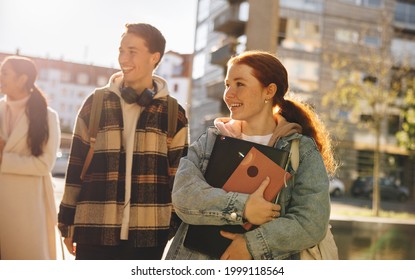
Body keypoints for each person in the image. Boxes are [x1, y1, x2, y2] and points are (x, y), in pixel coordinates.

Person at [166, 50, 337, 260]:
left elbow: (312, 222)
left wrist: (251, 245)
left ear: (269, 91)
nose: (229, 93)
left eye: (240, 84)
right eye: (227, 84)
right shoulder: (210, 141)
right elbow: (184, 196)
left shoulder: (302, 151)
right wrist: (243, 207)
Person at [57, 23, 188, 260]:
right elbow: (75, 168)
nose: (123, 58)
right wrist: (67, 222)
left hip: (149, 236)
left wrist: (169, 225)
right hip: (93, 229)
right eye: (121, 50)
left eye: (132, 51)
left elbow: (177, 176)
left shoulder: (173, 112)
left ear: (154, 57)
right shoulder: (95, 103)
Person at [0, 55, 61, 260]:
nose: (0, 77)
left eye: (5, 73)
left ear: (22, 79)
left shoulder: (47, 116)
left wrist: (3, 159)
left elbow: (45, 164)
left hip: (27, 210)